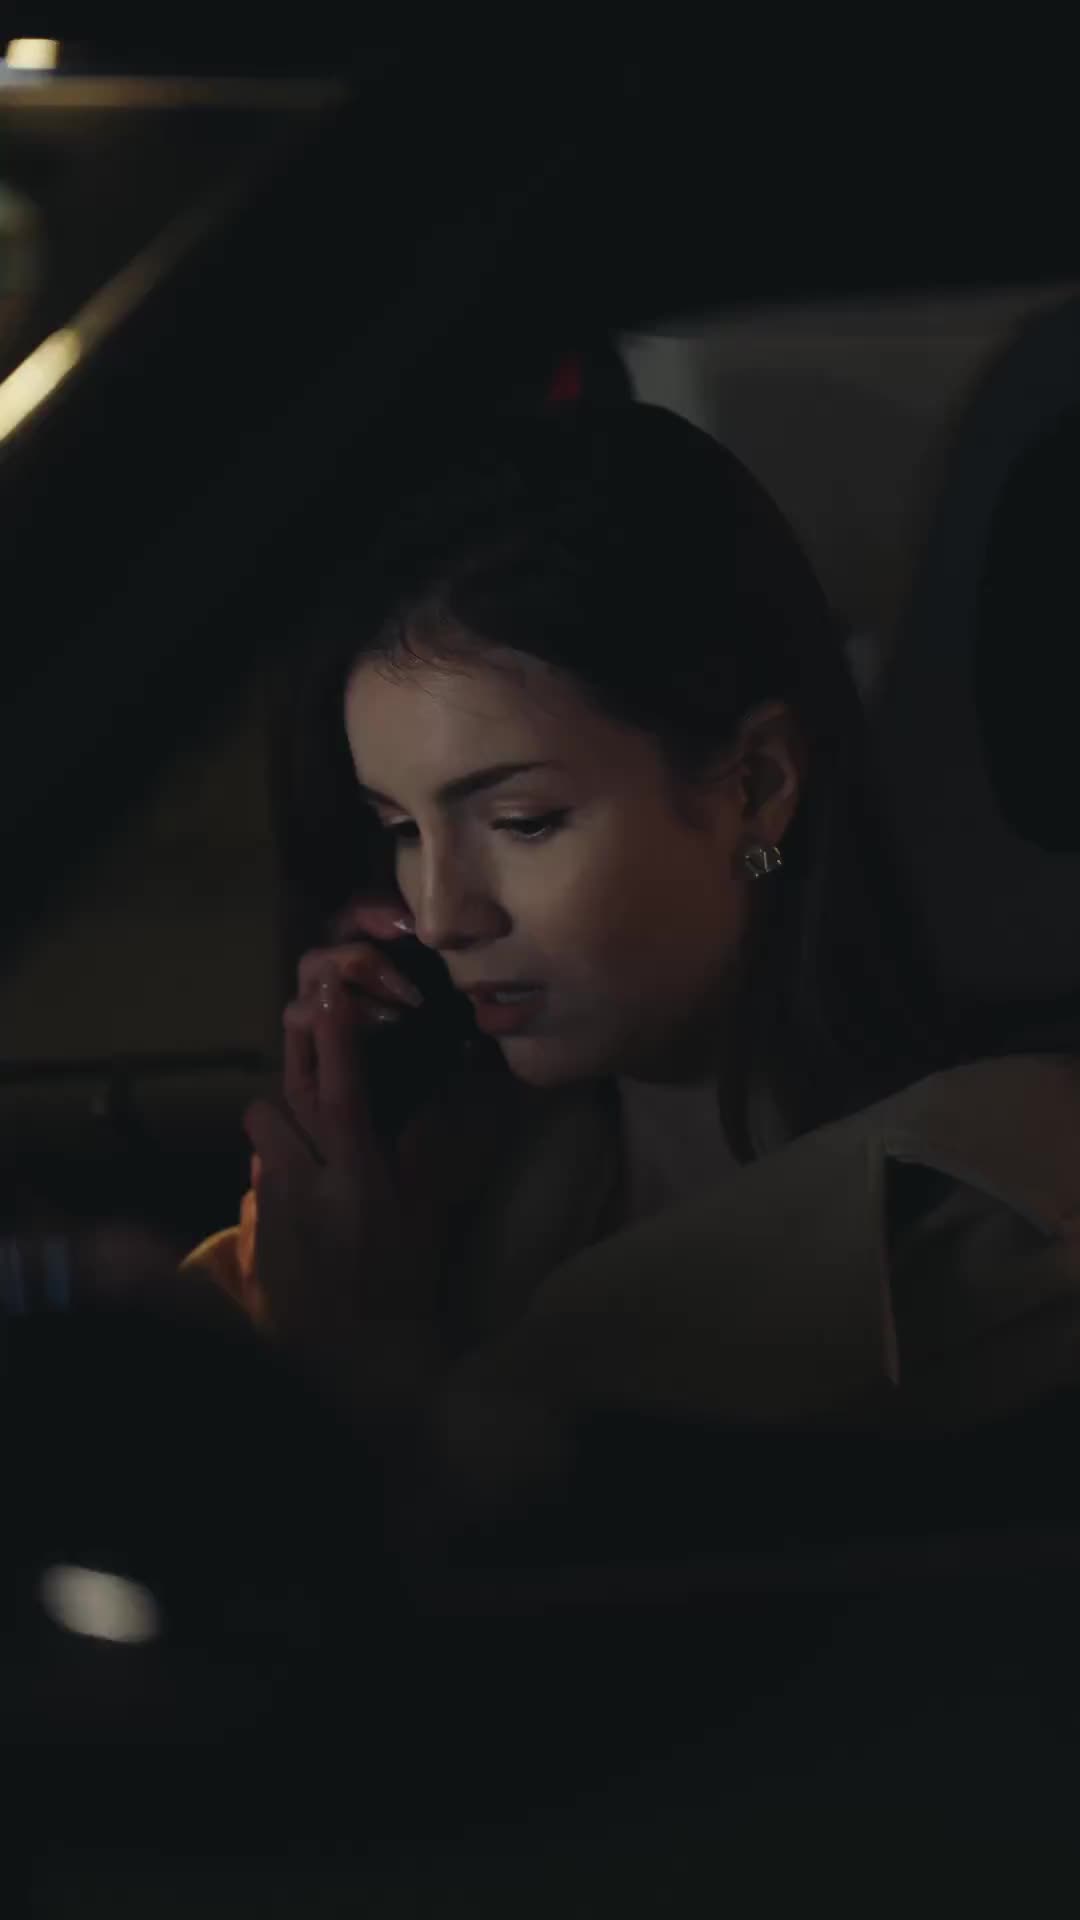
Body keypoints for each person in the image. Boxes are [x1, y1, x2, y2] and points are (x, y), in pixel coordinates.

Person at [183, 403, 1080, 1556]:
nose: (442, 914)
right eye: (401, 829)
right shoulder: (459, 1188)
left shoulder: (986, 1237)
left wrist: (369, 1378)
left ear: (755, 786)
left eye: (523, 821)